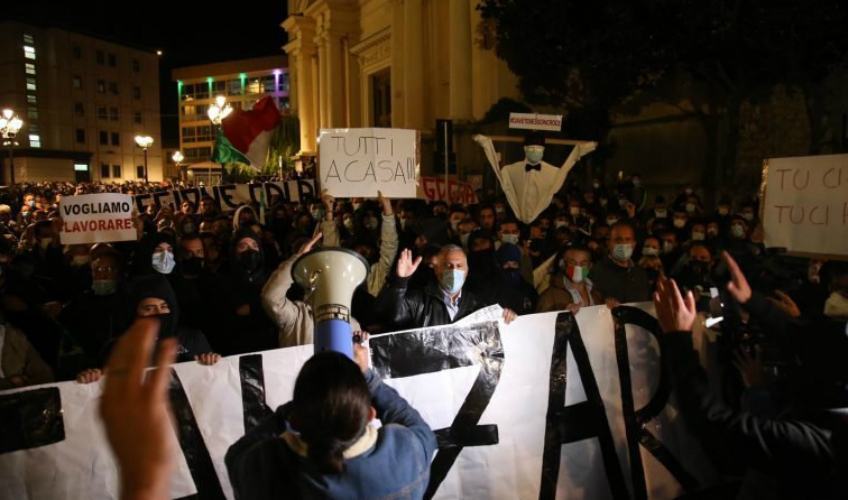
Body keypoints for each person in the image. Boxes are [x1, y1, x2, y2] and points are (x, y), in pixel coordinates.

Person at [226, 344, 438, 499]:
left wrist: (296, 408)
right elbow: (417, 426)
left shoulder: (265, 470)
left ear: (296, 420)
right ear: (370, 415)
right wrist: (368, 377)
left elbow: (236, 456)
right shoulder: (408, 451)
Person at [378, 246, 517, 329]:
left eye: (459, 266)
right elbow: (392, 317)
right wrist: (400, 282)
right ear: (437, 269)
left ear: (467, 271)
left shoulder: (478, 305)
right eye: (448, 266)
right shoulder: (419, 301)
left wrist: (508, 319)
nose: (454, 271)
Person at [589, 222, 651, 306]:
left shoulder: (641, 273)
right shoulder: (596, 271)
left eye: (628, 239)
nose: (623, 244)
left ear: (634, 244)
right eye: (618, 240)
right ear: (608, 243)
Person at [537, 245, 602, 313]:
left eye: (583, 263)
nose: (578, 267)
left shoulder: (597, 294)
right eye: (573, 263)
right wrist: (564, 316)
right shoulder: (549, 296)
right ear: (564, 265)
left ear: (590, 266)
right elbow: (539, 322)